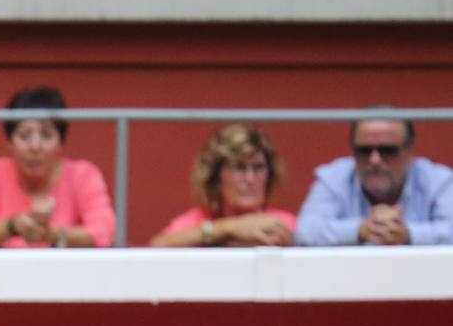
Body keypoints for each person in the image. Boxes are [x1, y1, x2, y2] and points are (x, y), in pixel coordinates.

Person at [0, 86, 115, 248]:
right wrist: (14, 226)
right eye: (25, 136)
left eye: (46, 135)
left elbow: (104, 232)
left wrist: (52, 235)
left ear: (61, 141)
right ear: (10, 142)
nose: (35, 146)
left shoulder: (84, 174)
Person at [296, 111, 453, 247]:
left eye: (387, 150)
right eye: (364, 150)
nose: (374, 160)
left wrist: (408, 234)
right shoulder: (333, 178)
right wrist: (360, 229)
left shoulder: (439, 181)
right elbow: (305, 232)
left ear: (410, 151)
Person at [149, 123, 295, 248]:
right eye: (239, 168)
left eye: (258, 168)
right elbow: (156, 247)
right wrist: (228, 229)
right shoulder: (195, 221)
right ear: (216, 176)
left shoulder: (282, 223)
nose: (250, 179)